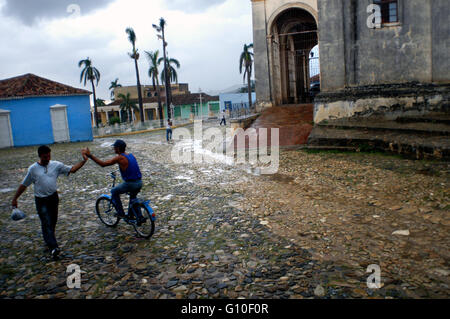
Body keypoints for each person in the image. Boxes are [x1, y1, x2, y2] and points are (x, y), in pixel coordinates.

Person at [11, 145, 89, 260]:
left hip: (53, 198)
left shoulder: (56, 165)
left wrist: (84, 161)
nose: (47, 158)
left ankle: (48, 239)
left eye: (49, 156)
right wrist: (15, 198)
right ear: (40, 156)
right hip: (41, 200)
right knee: (46, 221)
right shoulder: (33, 169)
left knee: (52, 222)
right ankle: (54, 247)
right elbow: (24, 185)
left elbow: (72, 169)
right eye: (44, 157)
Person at [82, 140, 143, 222]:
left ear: (117, 148)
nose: (113, 148)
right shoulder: (131, 155)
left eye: (114, 147)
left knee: (114, 191)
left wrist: (90, 155)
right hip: (139, 182)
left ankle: (120, 213)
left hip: (131, 184)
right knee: (133, 198)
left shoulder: (119, 158)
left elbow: (103, 164)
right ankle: (135, 216)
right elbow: (131, 167)